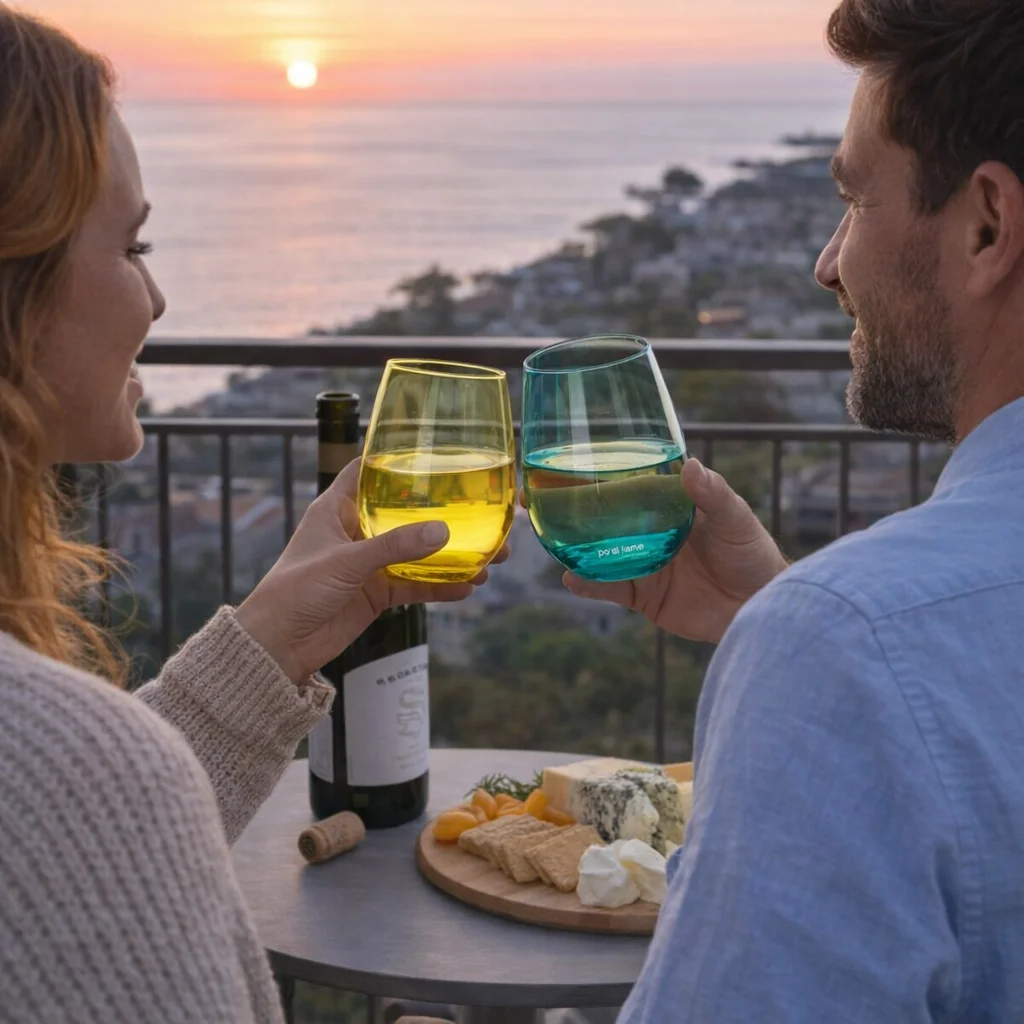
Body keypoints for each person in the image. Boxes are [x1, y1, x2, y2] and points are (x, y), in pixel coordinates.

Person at [562, 1, 1024, 1020]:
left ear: (987, 224)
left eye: (855, 200)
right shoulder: (855, 651)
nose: (827, 264)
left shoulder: (840, 647)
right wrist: (778, 623)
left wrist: (818, 648)